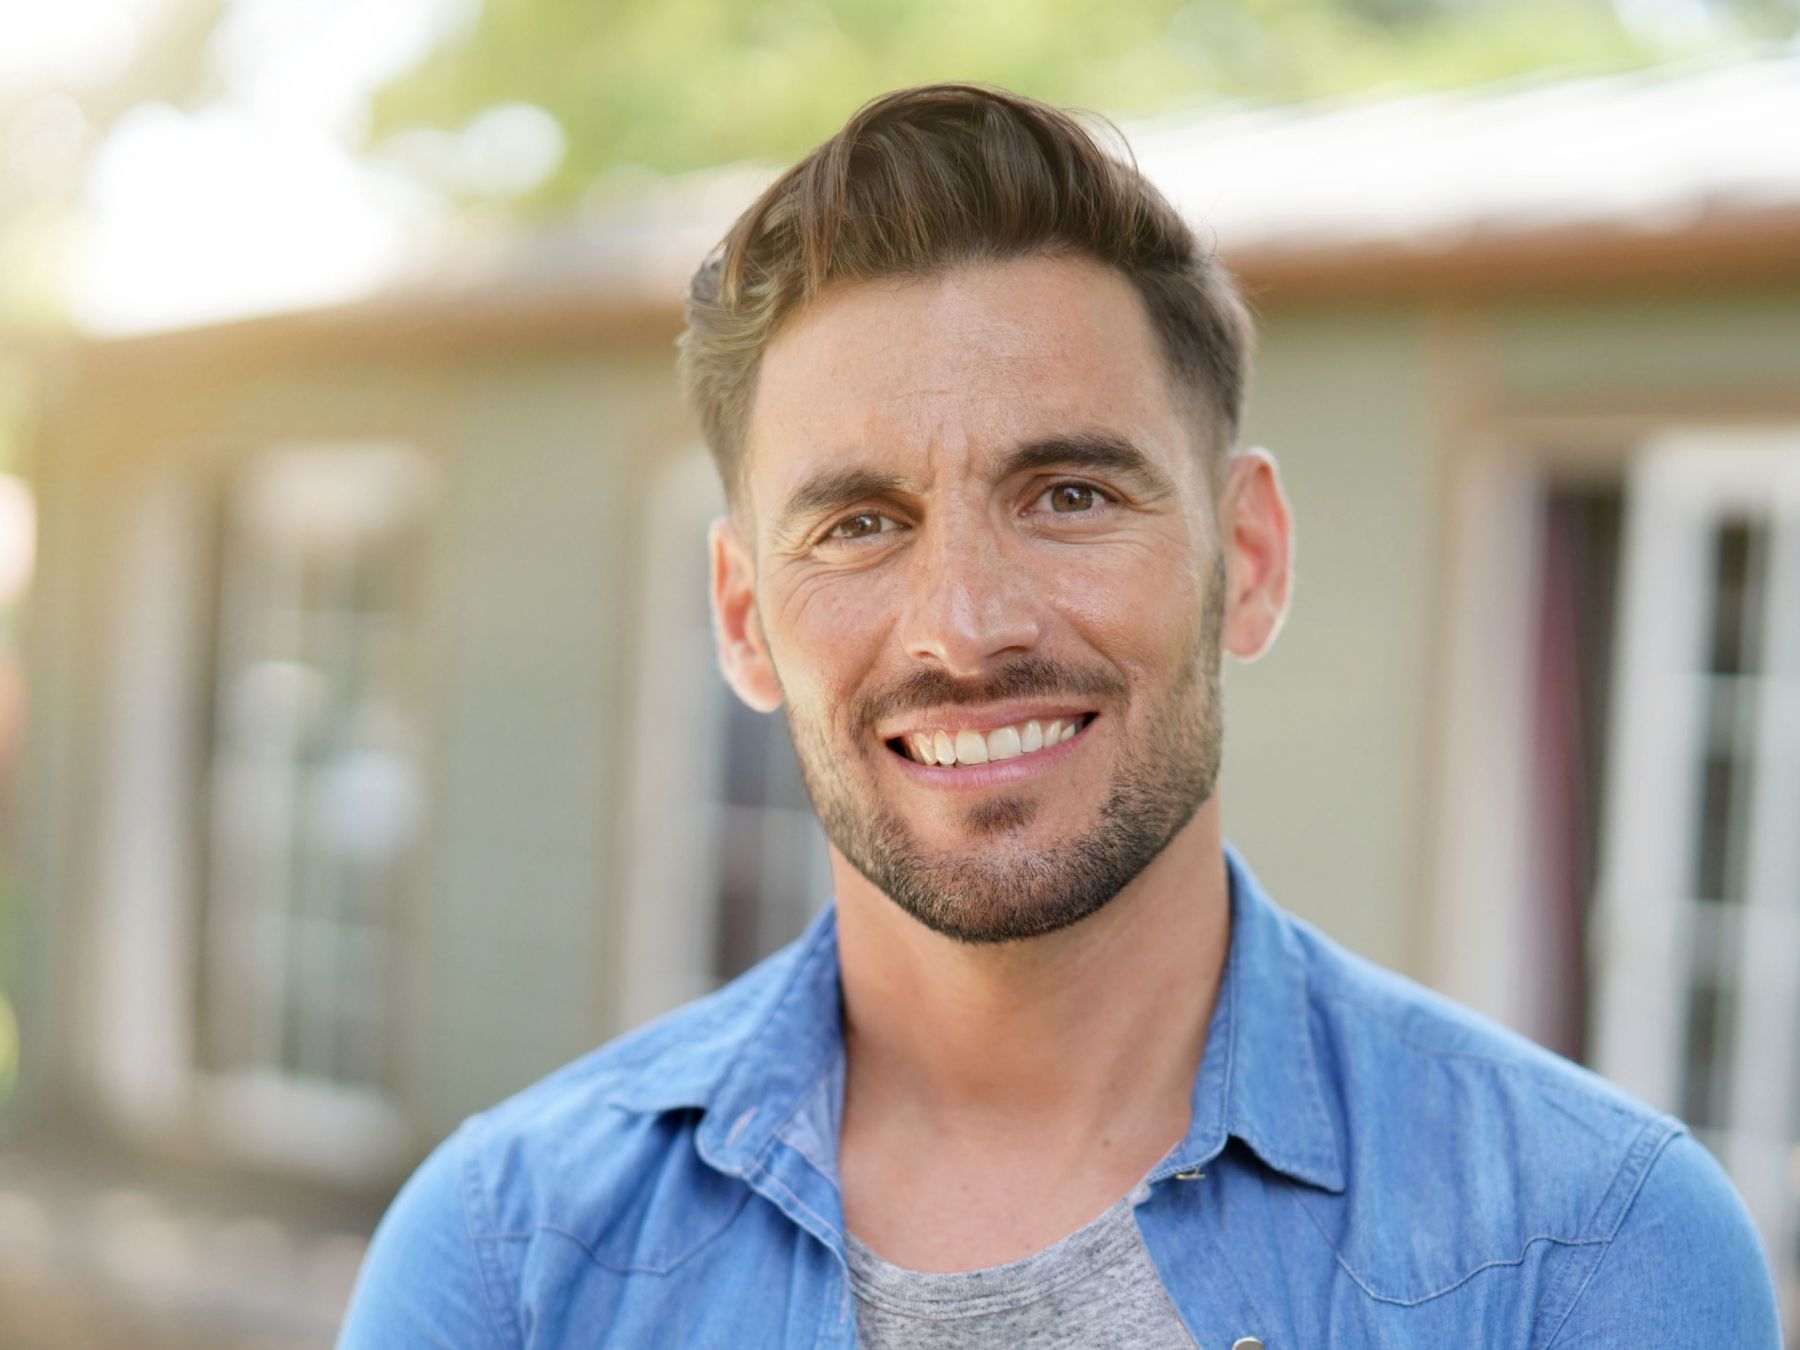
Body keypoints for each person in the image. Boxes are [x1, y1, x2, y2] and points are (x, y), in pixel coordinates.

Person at [338, 84, 1781, 1348]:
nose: (965, 626)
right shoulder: (504, 1261)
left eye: (1071, 495)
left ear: (1251, 559)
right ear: (739, 615)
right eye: (858, 523)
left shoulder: (1589, 1252)